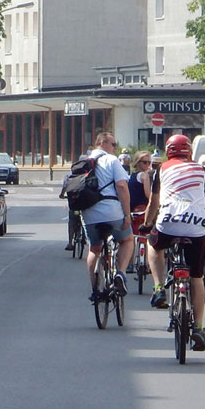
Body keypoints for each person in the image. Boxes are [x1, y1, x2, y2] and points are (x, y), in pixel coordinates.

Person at [142, 133, 205, 351]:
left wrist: (148, 225)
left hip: (168, 223)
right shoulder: (201, 170)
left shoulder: (162, 169)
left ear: (169, 150)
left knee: (153, 245)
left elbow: (153, 202)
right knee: (197, 277)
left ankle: (158, 288)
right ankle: (199, 327)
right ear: (189, 151)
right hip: (196, 227)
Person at [80, 129, 135, 301]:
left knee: (94, 249)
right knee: (127, 240)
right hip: (112, 212)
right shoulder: (112, 160)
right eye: (113, 144)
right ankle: (120, 273)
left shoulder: (82, 162)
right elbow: (122, 187)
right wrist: (127, 214)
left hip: (89, 214)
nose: (115, 148)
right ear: (102, 144)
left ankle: (95, 289)